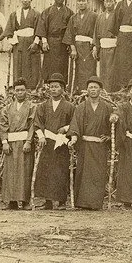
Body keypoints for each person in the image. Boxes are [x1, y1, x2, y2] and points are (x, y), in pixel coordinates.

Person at [70, 78, 114, 211]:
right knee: (83, 174)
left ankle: (95, 203)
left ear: (100, 90)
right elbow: (75, 124)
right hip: (85, 145)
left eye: (95, 87)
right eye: (90, 87)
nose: (93, 90)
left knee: (98, 174)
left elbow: (113, 122)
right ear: (87, 90)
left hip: (99, 146)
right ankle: (82, 202)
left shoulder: (107, 106)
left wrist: (108, 136)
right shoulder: (81, 106)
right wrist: (73, 137)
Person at [33, 77, 76, 209]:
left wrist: (66, 128)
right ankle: (48, 201)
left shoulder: (69, 106)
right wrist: (40, 136)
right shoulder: (43, 106)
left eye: (57, 86)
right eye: (51, 87)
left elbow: (75, 123)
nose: (54, 89)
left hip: (61, 142)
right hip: (47, 142)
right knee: (46, 170)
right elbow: (37, 123)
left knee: (60, 171)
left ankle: (62, 200)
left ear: (63, 89)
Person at [0, 81, 36, 209]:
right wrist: (4, 142)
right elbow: (3, 126)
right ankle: (11, 201)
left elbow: (32, 125)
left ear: (27, 91)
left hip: (24, 143)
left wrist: (28, 141)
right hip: (11, 143)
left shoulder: (32, 107)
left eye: (22, 90)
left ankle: (25, 201)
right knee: (10, 171)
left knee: (24, 171)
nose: (19, 93)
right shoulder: (7, 108)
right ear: (13, 92)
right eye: (17, 90)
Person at [39, 0, 74, 93]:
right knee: (49, 64)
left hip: (63, 42)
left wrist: (69, 43)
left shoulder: (69, 12)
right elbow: (42, 27)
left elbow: (71, 29)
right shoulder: (47, 11)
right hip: (50, 41)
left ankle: (62, 86)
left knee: (62, 64)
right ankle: (48, 86)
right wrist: (44, 41)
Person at [7, 0, 42, 90]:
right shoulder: (15, 14)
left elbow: (39, 29)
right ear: (20, 0)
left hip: (31, 41)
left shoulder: (36, 14)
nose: (25, 1)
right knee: (19, 64)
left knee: (32, 64)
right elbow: (10, 29)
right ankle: (18, 87)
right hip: (19, 42)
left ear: (31, 0)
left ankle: (32, 87)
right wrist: (11, 42)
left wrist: (36, 42)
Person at [66, 0, 100, 93]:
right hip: (76, 47)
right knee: (77, 68)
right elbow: (70, 34)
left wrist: (95, 46)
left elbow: (97, 32)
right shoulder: (73, 17)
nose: (81, 3)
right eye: (79, 1)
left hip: (88, 47)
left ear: (87, 2)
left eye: (83, 1)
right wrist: (72, 48)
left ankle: (88, 90)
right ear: (77, 3)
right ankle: (76, 89)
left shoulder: (94, 16)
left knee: (89, 68)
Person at [95, 0, 124, 94]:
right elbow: (96, 33)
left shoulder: (118, 16)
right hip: (103, 47)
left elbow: (120, 32)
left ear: (115, 3)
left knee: (111, 71)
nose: (108, 3)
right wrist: (96, 47)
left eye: (111, 1)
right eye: (106, 1)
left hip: (113, 47)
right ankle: (103, 92)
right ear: (104, 3)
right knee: (103, 71)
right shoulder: (100, 16)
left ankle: (111, 92)